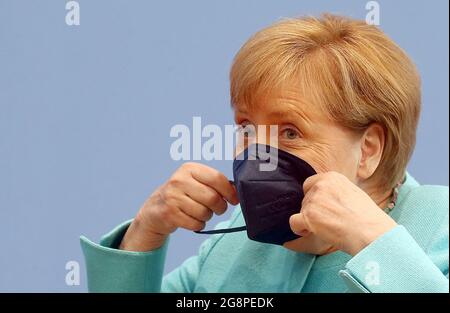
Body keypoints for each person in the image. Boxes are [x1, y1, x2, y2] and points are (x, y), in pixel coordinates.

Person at [80, 14, 449, 292]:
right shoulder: (232, 245)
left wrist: (374, 241)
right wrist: (146, 232)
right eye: (247, 129)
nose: (260, 155)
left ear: (368, 150)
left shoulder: (440, 227)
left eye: (290, 132)